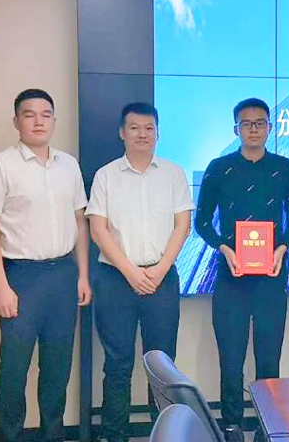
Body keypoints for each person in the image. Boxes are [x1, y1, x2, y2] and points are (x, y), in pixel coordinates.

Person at [0, 88, 91, 442]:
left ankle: (52, 435)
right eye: (29, 114)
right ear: (17, 122)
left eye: (46, 114)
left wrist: (83, 275)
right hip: (21, 276)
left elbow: (80, 222)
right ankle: (9, 436)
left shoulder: (69, 165)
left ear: (54, 120)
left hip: (63, 274)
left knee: (57, 365)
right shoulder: (0, 165)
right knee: (14, 367)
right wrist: (1, 286)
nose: (38, 121)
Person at [194, 98, 289, 442]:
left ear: (270, 127)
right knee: (231, 359)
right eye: (246, 123)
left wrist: (281, 249)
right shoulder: (219, 168)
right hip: (232, 276)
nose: (253, 129)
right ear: (235, 129)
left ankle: (266, 427)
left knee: (269, 359)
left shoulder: (284, 168)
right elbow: (201, 222)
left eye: (260, 123)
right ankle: (231, 427)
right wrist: (224, 248)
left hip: (271, 277)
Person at [86, 102, 193, 442]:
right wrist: (131, 272)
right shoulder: (105, 175)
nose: (142, 134)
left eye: (149, 128)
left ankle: (162, 434)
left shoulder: (174, 173)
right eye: (134, 128)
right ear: (122, 133)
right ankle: (115, 435)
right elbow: (98, 229)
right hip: (116, 279)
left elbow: (183, 225)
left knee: (161, 363)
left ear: (158, 133)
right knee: (117, 363)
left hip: (162, 278)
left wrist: (160, 270)